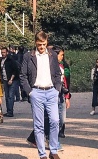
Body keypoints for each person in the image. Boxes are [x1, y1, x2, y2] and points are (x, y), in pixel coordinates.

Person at [19, 31, 63, 159]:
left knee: (55, 121)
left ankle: (53, 150)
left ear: (47, 42)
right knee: (39, 125)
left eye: (43, 44)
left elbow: (57, 73)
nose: (42, 47)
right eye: (39, 44)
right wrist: (30, 92)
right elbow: (23, 75)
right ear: (35, 43)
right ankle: (42, 154)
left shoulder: (53, 55)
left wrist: (57, 89)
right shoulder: (29, 56)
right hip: (36, 92)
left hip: (51, 91)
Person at [2, 46, 21, 117]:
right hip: (5, 80)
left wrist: (11, 79)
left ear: (7, 52)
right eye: (2, 53)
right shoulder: (2, 60)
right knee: (7, 96)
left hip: (12, 80)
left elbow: (15, 70)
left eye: (4, 52)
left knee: (10, 96)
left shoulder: (11, 60)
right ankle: (8, 110)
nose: (3, 54)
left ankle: (10, 112)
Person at [56, 48, 71, 133]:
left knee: (62, 115)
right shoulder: (49, 66)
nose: (62, 57)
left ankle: (60, 130)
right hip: (53, 92)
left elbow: (66, 82)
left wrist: (67, 96)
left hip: (61, 92)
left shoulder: (63, 66)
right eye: (61, 55)